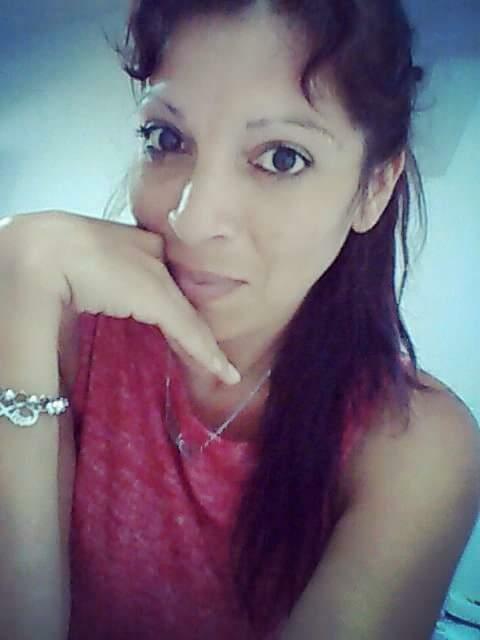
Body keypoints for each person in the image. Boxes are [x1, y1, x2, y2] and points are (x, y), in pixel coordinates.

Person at [0, 0, 479, 638]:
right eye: (167, 139)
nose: (192, 220)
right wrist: (17, 277)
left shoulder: (412, 444)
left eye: (282, 157)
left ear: (374, 188)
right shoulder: (66, 332)